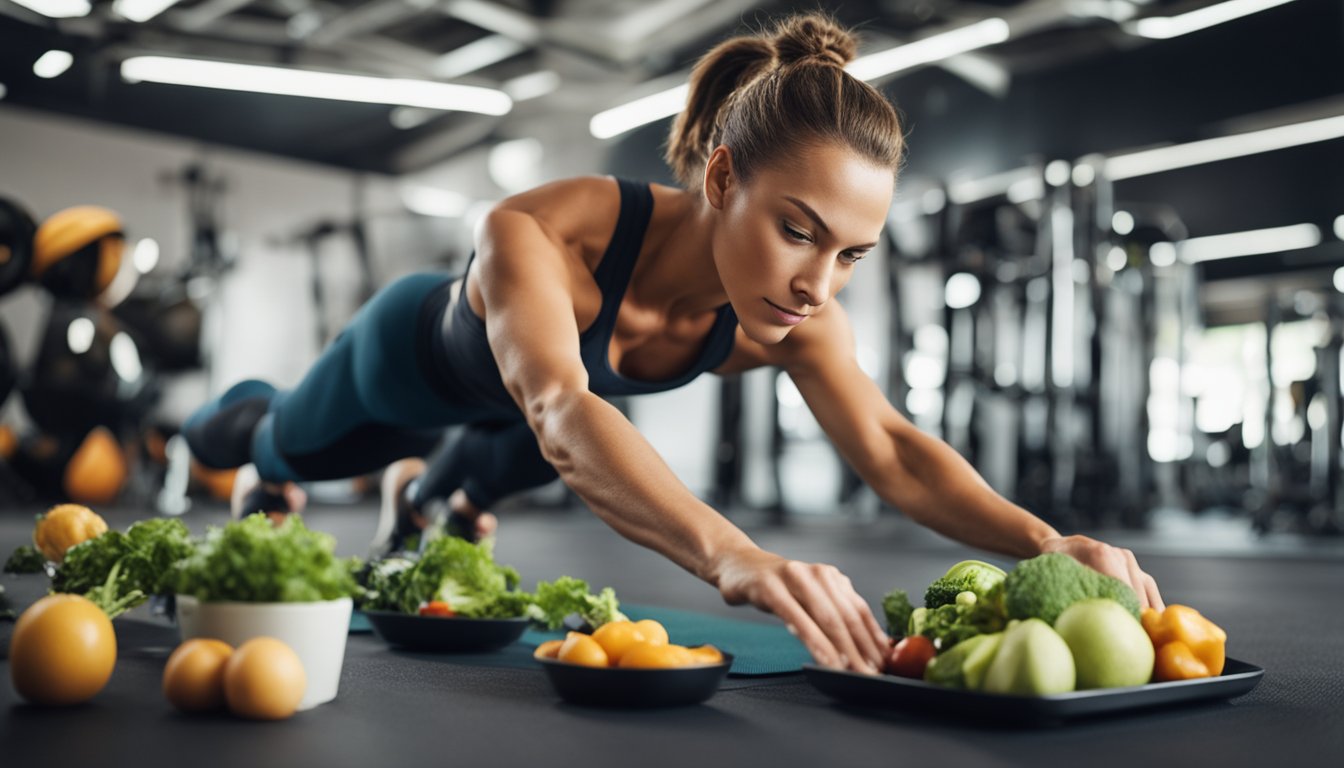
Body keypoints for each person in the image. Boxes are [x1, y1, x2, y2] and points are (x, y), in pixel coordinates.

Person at [184, 12, 1164, 675]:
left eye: (851, 253)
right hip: (413, 368)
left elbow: (894, 452)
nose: (817, 285)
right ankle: (237, 436)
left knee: (499, 478)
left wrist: (1048, 543)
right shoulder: (543, 235)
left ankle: (434, 494)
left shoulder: (796, 315)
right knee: (285, 449)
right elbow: (563, 409)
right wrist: (736, 557)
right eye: (799, 230)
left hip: (528, 419)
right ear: (725, 179)